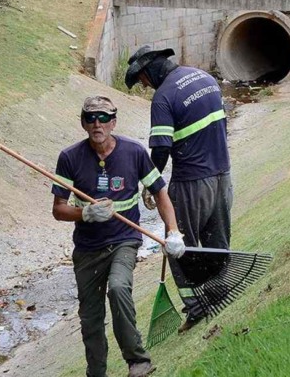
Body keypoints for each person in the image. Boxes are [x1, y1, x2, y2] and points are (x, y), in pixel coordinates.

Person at [51, 96, 186, 377]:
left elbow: (160, 193)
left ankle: (138, 360)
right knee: (90, 318)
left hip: (124, 240)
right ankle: (96, 372)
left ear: (113, 122)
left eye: (103, 118)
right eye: (90, 118)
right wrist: (85, 213)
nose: (96, 124)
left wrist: (173, 232)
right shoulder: (69, 158)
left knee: (119, 288)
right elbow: (59, 210)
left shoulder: (134, 152)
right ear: (83, 123)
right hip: (87, 249)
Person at [125, 46, 233, 332]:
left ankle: (196, 307)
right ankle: (220, 292)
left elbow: (160, 148)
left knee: (178, 243)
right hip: (223, 176)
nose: (145, 87)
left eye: (143, 81)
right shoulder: (204, 78)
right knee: (215, 240)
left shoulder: (163, 98)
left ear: (149, 72)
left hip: (191, 182)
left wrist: (152, 183)